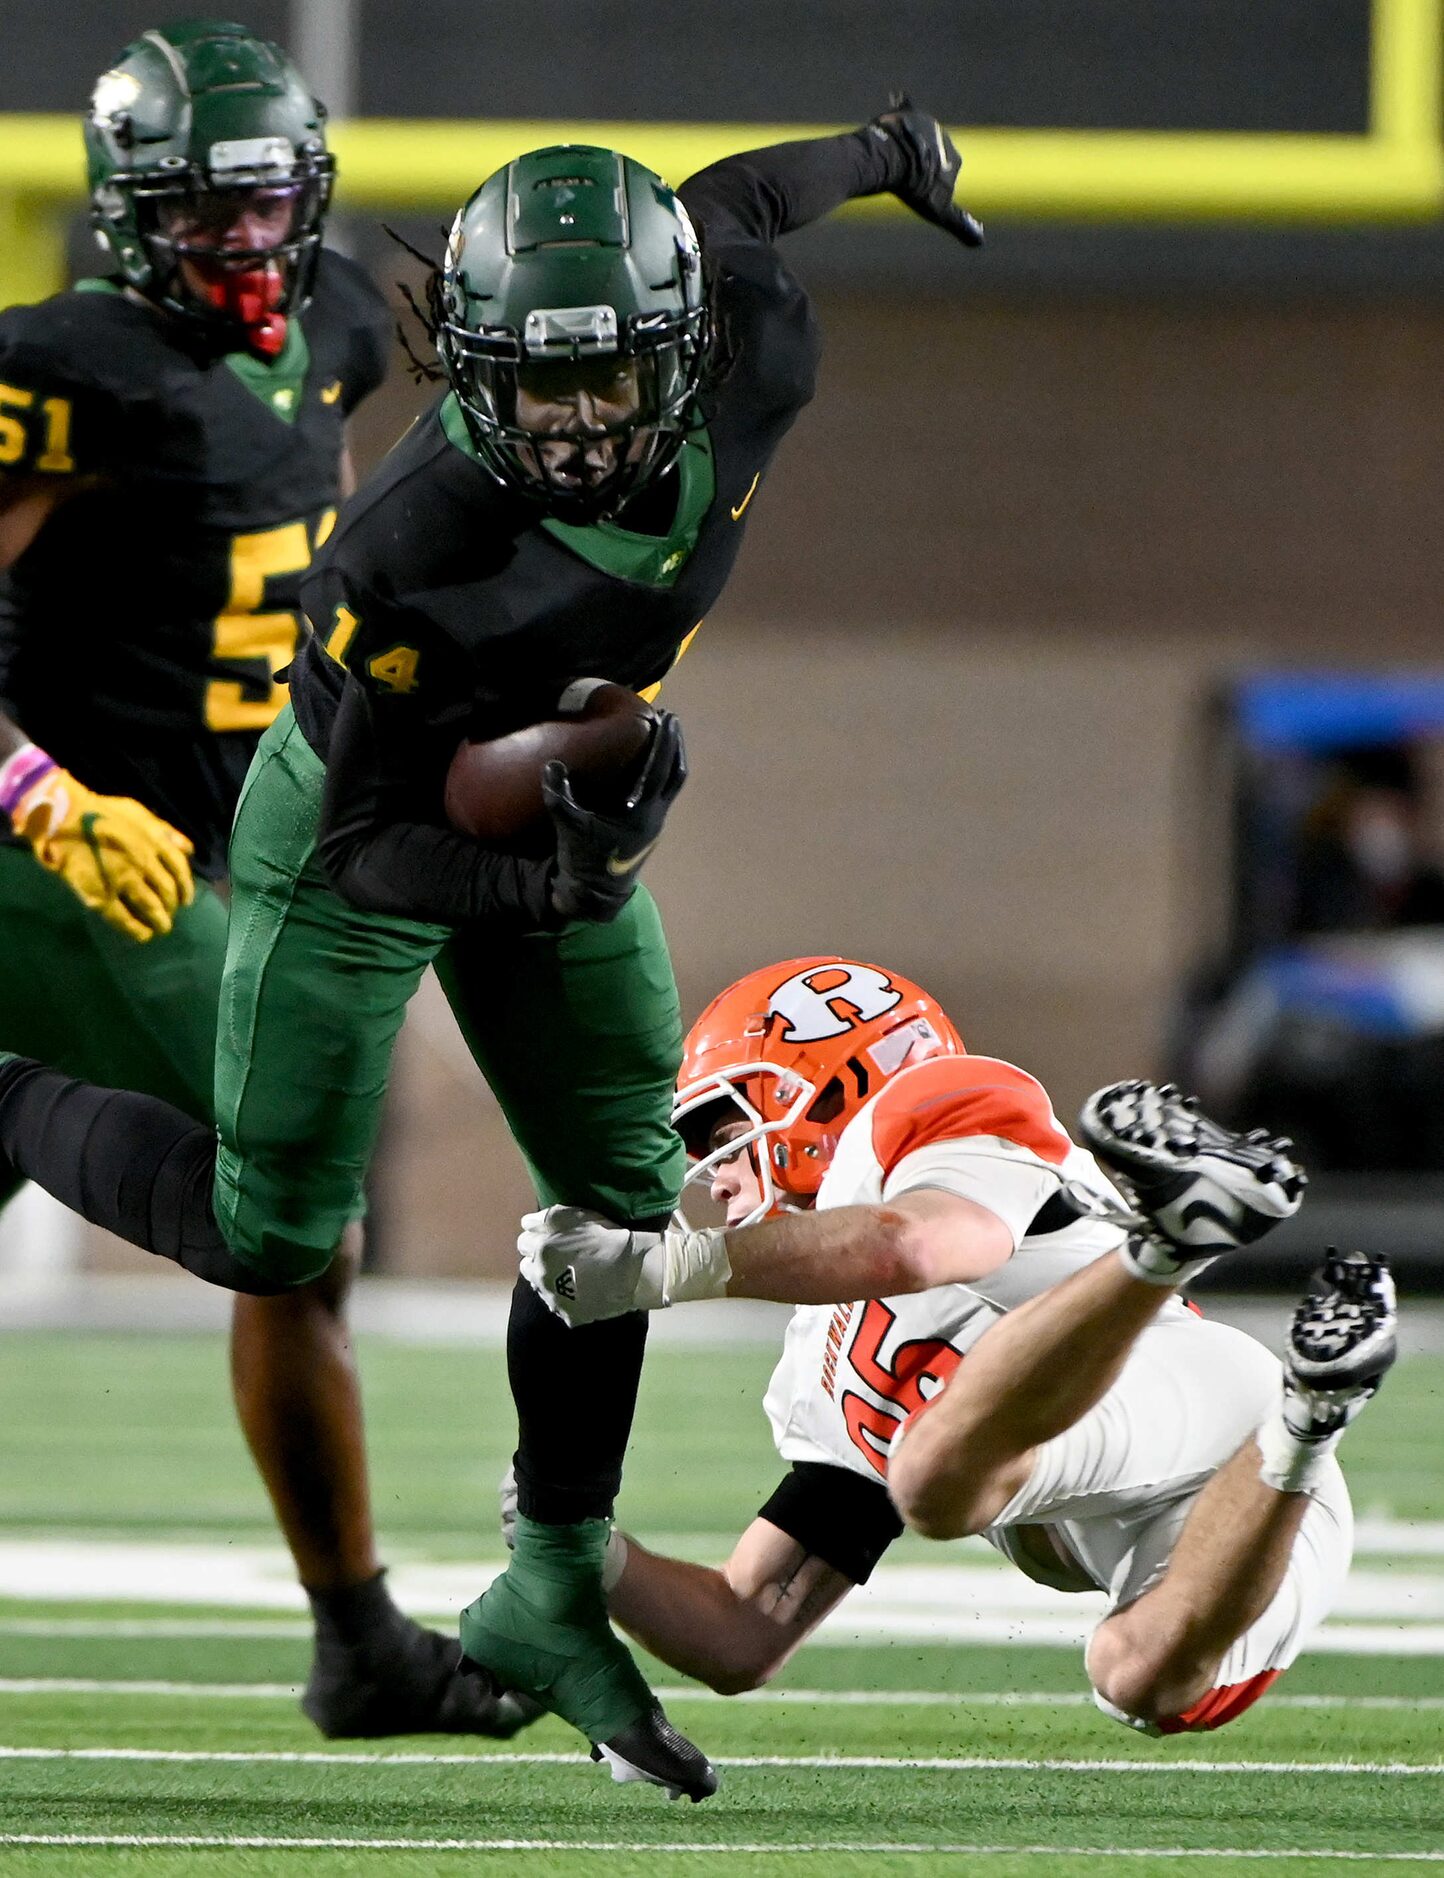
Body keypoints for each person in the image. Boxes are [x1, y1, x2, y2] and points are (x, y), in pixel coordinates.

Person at [0, 110, 984, 1796]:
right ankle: (13, 1092)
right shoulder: (400, 552)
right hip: (350, 826)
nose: (581, 427)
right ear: (468, 369)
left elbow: (740, 200)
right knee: (268, 1225)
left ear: (681, 347)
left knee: (619, 1195)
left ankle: (548, 1580)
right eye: (536, 389)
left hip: (547, 801)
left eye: (608, 384)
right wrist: (550, 887)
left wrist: (887, 148)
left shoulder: (755, 337)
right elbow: (387, 835)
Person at [0, 17, 534, 1740]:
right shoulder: (66, 364)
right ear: (128, 213)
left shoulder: (325, 334)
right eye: (204, 213)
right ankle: (356, 1633)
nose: (243, 242)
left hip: (220, 862)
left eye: (266, 204)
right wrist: (34, 787)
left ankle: (355, 1636)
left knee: (298, 1232)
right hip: (67, 853)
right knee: (282, 1202)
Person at [517, 956, 1397, 1731]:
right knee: (1135, 1680)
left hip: (1193, 1402)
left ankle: (1167, 1245)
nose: (716, 1176)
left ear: (819, 1090)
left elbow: (919, 1245)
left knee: (934, 1482)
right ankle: (1311, 1415)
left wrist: (665, 1269)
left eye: (725, 1131)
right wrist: (581, 1549)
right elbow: (746, 1629)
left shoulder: (930, 1109)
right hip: (1207, 1492)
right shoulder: (817, 1360)